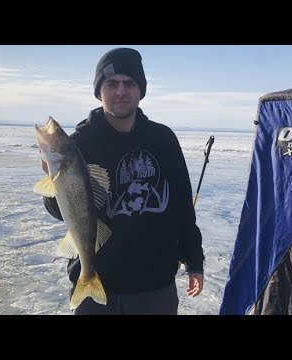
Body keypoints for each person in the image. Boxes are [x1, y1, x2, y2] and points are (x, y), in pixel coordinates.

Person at [40, 47, 204, 315]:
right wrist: (53, 178)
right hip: (96, 283)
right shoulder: (79, 143)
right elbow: (61, 212)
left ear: (140, 90)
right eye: (111, 83)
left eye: (129, 83)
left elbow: (182, 207)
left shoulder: (163, 140)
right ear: (99, 90)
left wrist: (194, 260)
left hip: (154, 287)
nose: (120, 91)